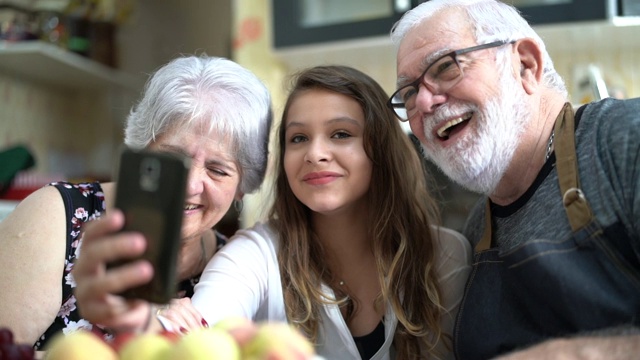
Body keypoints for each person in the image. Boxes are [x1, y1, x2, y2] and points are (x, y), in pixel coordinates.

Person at [387, 0, 640, 359]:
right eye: (409, 92)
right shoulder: (477, 231)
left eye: (446, 66)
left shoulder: (624, 141)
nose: (425, 102)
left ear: (525, 64)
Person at [190, 65, 471, 360]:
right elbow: (200, 334)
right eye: (298, 138)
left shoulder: (444, 255)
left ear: (382, 149)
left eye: (340, 134)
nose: (315, 154)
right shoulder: (255, 253)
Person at [0, 55, 272, 350]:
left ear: (242, 188)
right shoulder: (55, 216)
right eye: (173, 159)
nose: (190, 185)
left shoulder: (233, 272)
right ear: (142, 148)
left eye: (218, 171)